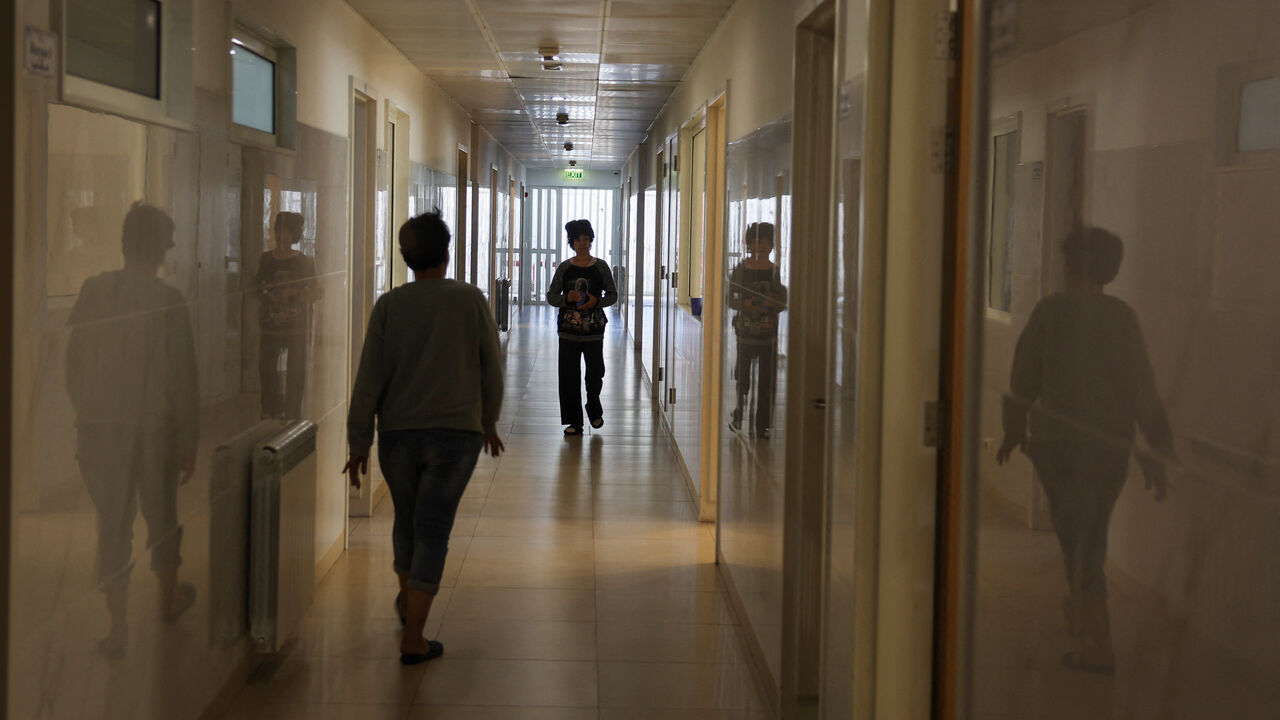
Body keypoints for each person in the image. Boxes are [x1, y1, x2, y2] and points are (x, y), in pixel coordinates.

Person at [996, 226, 1174, 676]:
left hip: (1059, 448)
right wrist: (1157, 452)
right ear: (1111, 270)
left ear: (1070, 265)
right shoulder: (1122, 318)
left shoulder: (1051, 312)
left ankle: (1099, 643)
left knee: (1078, 541)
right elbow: (1143, 391)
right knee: (1089, 536)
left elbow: (1023, 380)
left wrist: (1013, 431)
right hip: (1110, 449)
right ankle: (1084, 613)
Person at [343, 210, 505, 665]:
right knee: (433, 529)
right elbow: (491, 369)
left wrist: (359, 444)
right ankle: (414, 635)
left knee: (407, 521)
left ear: (405, 258)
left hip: (398, 436)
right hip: (456, 436)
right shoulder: (470, 300)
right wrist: (488, 422)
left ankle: (408, 597)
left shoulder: (389, 306)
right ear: (447, 252)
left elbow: (368, 380)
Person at [65, 203, 200, 659]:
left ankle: (118, 627)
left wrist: (89, 411)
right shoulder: (169, 302)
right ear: (161, 247)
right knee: (161, 519)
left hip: (101, 428)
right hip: (153, 431)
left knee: (112, 525)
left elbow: (74, 363)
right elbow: (183, 378)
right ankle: (167, 602)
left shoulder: (93, 290)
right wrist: (187, 442)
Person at [546, 219, 618, 436]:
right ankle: (574, 422)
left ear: (591, 241)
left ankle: (594, 409)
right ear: (572, 243)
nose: (582, 243)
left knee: (595, 373)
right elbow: (551, 296)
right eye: (578, 240)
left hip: (594, 332)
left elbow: (613, 295)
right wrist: (567, 297)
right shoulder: (565, 268)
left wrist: (596, 301)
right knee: (568, 376)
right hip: (568, 332)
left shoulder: (601, 267)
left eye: (586, 239)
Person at [727, 222, 787, 439]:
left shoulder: (774, 271)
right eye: (756, 242)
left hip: (769, 335)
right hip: (745, 335)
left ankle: (763, 425)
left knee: (767, 381)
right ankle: (739, 411)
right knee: (743, 377)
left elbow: (783, 301)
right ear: (749, 244)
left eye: (765, 243)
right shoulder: (741, 269)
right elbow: (730, 298)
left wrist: (773, 303)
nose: (760, 247)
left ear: (771, 245)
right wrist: (745, 306)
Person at [255, 211, 317, 419]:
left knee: (296, 370)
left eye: (287, 231)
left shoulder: (304, 261)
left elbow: (316, 290)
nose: (282, 236)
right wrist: (268, 295)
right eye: (279, 230)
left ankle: (292, 411)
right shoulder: (266, 259)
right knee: (267, 369)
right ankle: (270, 408)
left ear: (294, 234)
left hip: (296, 324)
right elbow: (255, 287)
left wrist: (297, 294)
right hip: (270, 324)